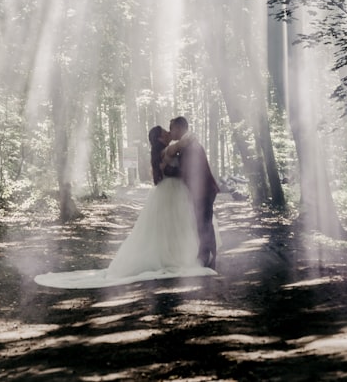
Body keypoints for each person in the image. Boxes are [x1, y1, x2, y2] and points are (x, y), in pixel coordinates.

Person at [34, 125, 217, 289]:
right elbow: (164, 170)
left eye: (170, 130)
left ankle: (188, 254)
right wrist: (181, 171)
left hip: (177, 192)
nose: (169, 133)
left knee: (178, 225)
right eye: (165, 132)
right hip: (168, 191)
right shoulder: (161, 150)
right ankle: (175, 256)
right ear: (160, 138)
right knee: (168, 226)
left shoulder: (170, 148)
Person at [165, 116, 219, 269]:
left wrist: (169, 171)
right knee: (203, 223)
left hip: (204, 190)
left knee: (204, 224)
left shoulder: (190, 146)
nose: (170, 132)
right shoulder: (187, 144)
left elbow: (187, 171)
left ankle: (207, 258)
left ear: (180, 128)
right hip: (202, 190)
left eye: (172, 128)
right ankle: (208, 257)